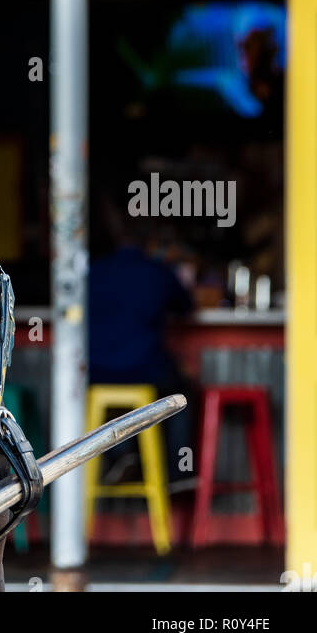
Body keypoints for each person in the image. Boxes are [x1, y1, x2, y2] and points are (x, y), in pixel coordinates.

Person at [89, 180, 195, 485]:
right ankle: (178, 472)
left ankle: (118, 456)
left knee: (112, 400)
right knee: (181, 393)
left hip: (94, 374)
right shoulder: (158, 273)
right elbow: (186, 306)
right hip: (145, 370)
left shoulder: (92, 273)